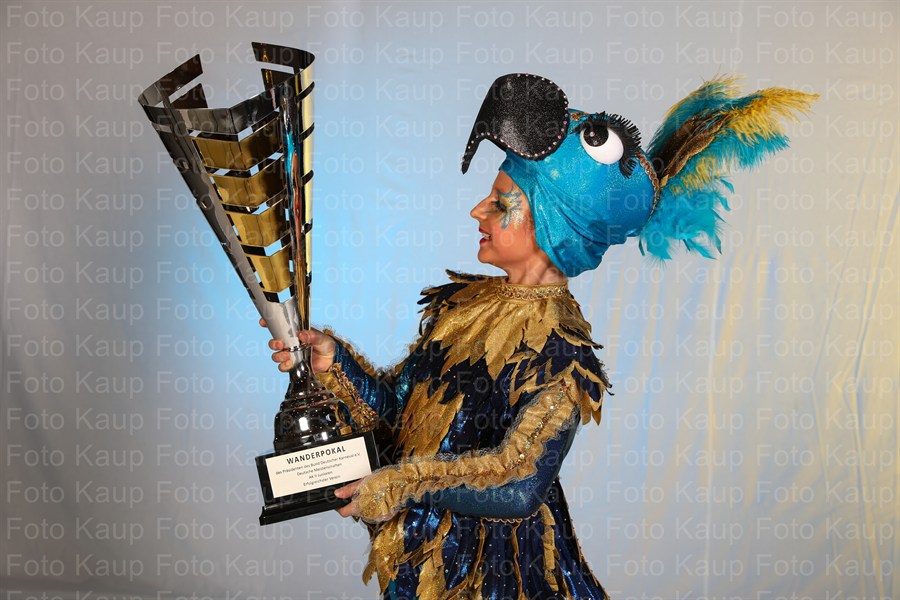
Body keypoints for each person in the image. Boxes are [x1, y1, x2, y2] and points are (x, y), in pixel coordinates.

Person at [266, 74, 815, 599]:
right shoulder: (460, 308)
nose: (477, 210)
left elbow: (519, 480)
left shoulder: (562, 354)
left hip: (500, 575)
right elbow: (400, 412)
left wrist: (404, 485)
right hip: (423, 564)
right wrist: (336, 364)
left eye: (502, 202)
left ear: (552, 226)